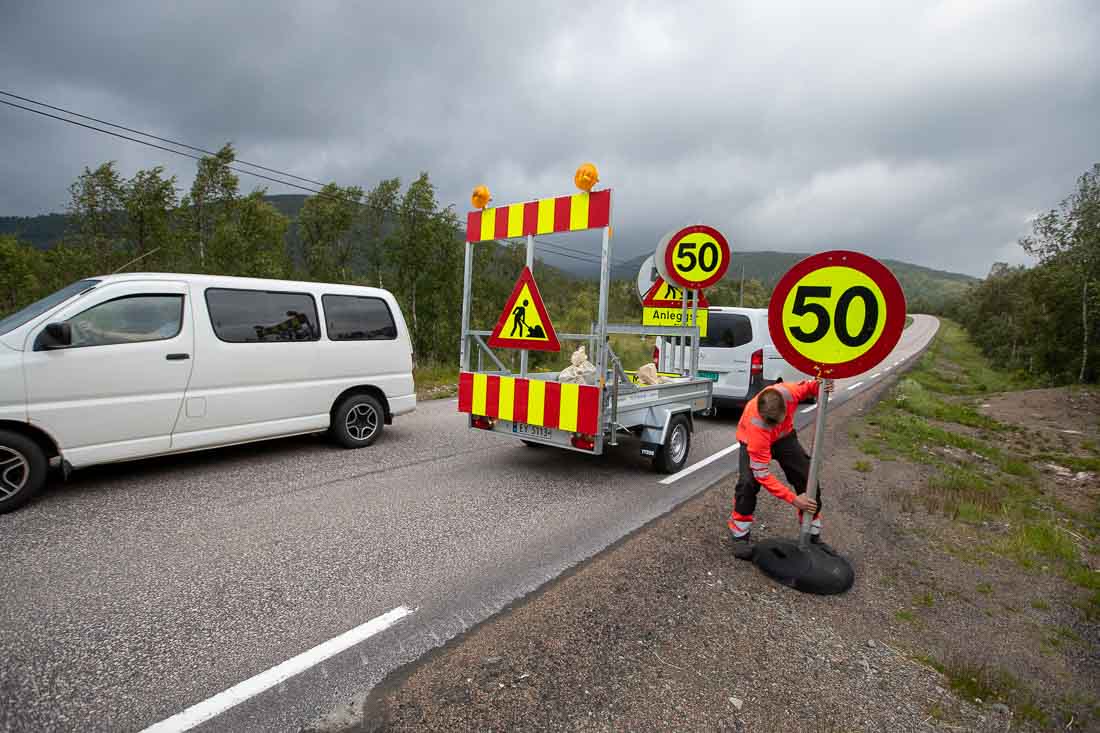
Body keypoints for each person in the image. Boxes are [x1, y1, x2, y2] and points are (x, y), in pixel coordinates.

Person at [728, 378, 835, 560]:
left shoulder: (790, 392)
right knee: (747, 484)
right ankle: (740, 535)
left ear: (785, 406)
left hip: (785, 438)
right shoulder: (757, 428)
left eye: (778, 421)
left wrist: (823, 386)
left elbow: (812, 386)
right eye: (771, 423)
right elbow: (763, 475)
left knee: (807, 477)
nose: (774, 426)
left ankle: (812, 533)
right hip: (753, 441)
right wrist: (794, 499)